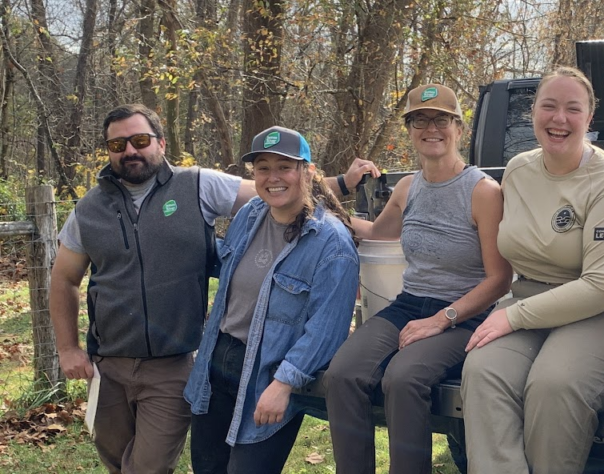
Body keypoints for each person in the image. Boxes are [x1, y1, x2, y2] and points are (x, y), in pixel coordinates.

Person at [47, 103, 370, 474]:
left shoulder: (200, 186)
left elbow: (284, 194)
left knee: (155, 467)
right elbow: (64, 278)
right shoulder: (91, 208)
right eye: (118, 144)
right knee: (155, 463)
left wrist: (350, 193)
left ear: (161, 143)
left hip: (209, 366)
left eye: (139, 140)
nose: (129, 151)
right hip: (161, 365)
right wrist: (68, 347)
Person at [460, 66, 604, 473]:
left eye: (572, 109)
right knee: (483, 370)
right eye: (549, 106)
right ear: (533, 113)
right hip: (529, 296)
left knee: (554, 385)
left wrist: (512, 316)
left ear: (589, 118)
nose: (559, 119)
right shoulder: (517, 170)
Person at [324, 83, 512, 474]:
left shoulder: (482, 191)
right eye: (419, 120)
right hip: (409, 304)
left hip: (466, 315)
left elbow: (499, 279)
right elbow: (379, 233)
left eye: (441, 119)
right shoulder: (409, 187)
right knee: (342, 374)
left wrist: (441, 320)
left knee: (404, 379)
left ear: (458, 128)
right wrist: (326, 212)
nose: (431, 128)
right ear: (409, 130)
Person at [184, 126, 359, 473]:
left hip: (267, 375)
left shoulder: (332, 245)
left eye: (284, 166)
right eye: (263, 167)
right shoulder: (250, 216)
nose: (273, 177)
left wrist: (283, 385)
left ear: (307, 172)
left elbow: (327, 329)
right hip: (217, 364)